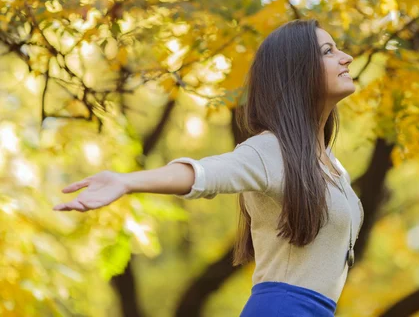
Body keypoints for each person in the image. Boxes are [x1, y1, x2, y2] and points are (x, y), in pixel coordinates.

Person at [53, 19, 364, 316]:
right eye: (328, 51)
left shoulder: (332, 166)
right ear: (296, 72)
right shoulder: (273, 150)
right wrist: (127, 181)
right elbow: (205, 173)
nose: (346, 58)